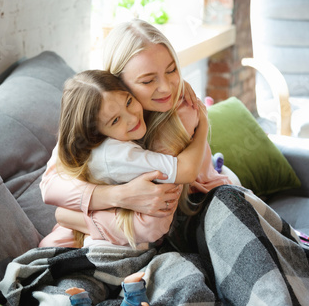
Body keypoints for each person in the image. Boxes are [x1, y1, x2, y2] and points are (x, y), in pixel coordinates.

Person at [40, 18, 236, 249]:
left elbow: (152, 219)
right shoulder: (97, 107)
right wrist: (119, 195)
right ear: (117, 82)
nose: (167, 88)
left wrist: (69, 215)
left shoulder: (180, 113)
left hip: (165, 220)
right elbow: (51, 186)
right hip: (108, 222)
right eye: (148, 80)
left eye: (172, 70)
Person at [43, 69, 209, 249]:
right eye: (115, 120)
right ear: (94, 134)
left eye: (129, 101)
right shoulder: (114, 152)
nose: (131, 119)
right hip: (77, 245)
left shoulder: (109, 102)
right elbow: (49, 188)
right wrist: (204, 126)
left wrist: (174, 86)